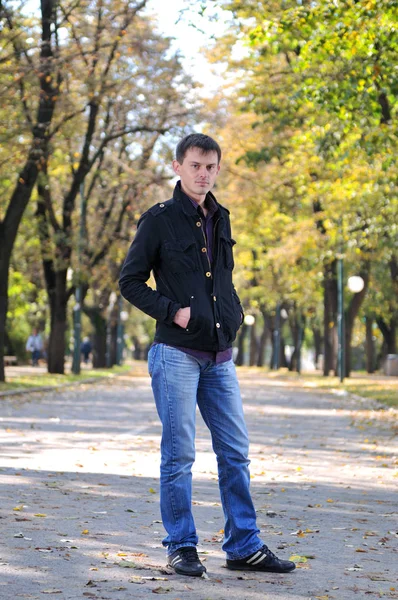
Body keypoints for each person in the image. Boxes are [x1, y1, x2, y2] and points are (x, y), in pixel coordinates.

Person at [119, 133, 295, 577]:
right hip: (175, 353)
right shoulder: (158, 220)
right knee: (179, 455)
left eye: (211, 166)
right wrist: (173, 312)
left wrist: (233, 314)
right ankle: (182, 545)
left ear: (218, 169)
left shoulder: (222, 217)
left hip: (219, 356)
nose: (203, 173)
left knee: (235, 452)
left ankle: (244, 545)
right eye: (195, 165)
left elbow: (223, 279)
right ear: (177, 167)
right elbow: (130, 281)